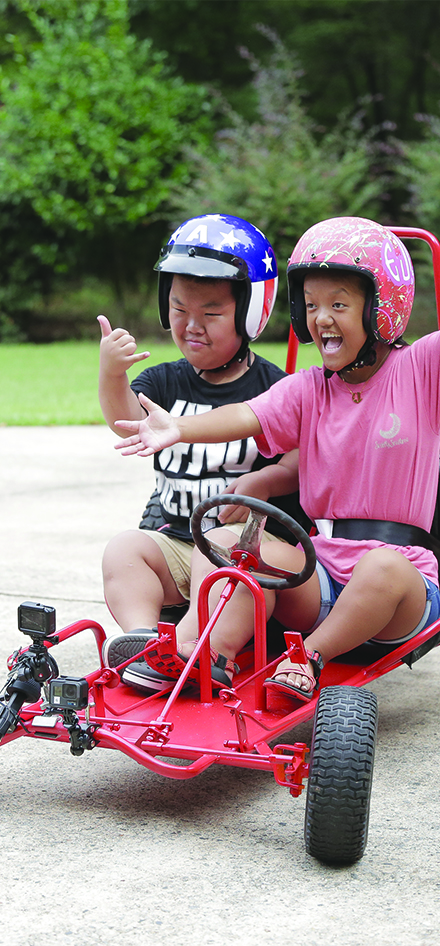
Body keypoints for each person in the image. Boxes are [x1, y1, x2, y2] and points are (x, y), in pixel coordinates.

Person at [113, 212, 440, 702]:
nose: (321, 318)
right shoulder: (309, 388)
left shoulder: (419, 371)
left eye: (338, 304)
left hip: (401, 585)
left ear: (381, 310)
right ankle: (197, 653)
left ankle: (308, 657)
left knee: (379, 567)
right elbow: (246, 414)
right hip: (321, 573)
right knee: (232, 541)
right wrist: (179, 428)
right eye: (311, 305)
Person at [98, 213, 304, 692]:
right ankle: (145, 642)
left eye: (211, 314)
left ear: (250, 311)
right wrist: (111, 374)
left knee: (227, 551)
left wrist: (263, 481)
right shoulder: (165, 381)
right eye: (178, 310)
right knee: (125, 549)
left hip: (246, 556)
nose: (191, 326)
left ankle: (211, 654)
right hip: (178, 543)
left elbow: (302, 459)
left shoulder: (274, 389)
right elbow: (126, 419)